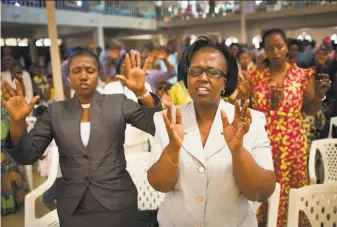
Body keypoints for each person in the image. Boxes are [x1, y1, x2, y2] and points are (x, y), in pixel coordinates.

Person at [1, 48, 162, 227]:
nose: (83, 76)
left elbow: (157, 127)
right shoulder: (55, 112)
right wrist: (17, 123)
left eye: (90, 71)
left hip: (117, 204)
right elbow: (26, 155)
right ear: (68, 77)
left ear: (99, 74)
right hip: (74, 208)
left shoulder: (118, 103)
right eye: (76, 71)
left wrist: (142, 93)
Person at [147, 36, 276, 227]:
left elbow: (261, 192)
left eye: (214, 72)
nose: (203, 78)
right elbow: (159, 184)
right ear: (187, 77)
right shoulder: (167, 119)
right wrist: (172, 149)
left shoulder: (250, 120)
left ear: (225, 82)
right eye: (195, 71)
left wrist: (238, 151)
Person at [236, 28, 331, 227]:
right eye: (270, 49)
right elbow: (246, 107)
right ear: (265, 52)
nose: (276, 52)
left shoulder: (302, 76)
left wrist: (320, 95)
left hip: (292, 148)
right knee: (262, 196)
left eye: (279, 46)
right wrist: (244, 96)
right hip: (262, 146)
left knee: (292, 196)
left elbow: (310, 110)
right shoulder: (255, 76)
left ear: (286, 47)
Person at [102, 53, 153, 153]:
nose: (126, 68)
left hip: (138, 140)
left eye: (130, 65)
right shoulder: (109, 87)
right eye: (123, 65)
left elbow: (150, 111)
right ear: (119, 67)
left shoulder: (144, 87)